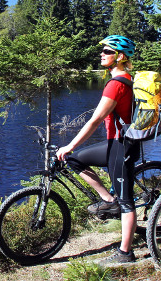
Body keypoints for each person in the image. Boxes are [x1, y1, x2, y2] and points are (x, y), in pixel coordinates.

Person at [56, 35, 139, 264]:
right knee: (75, 161)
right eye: (102, 51)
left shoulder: (117, 84)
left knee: (126, 201)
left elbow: (94, 120)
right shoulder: (123, 79)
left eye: (107, 51)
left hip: (122, 147)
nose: (101, 54)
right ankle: (107, 200)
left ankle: (126, 253)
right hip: (116, 143)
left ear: (120, 57)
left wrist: (70, 144)